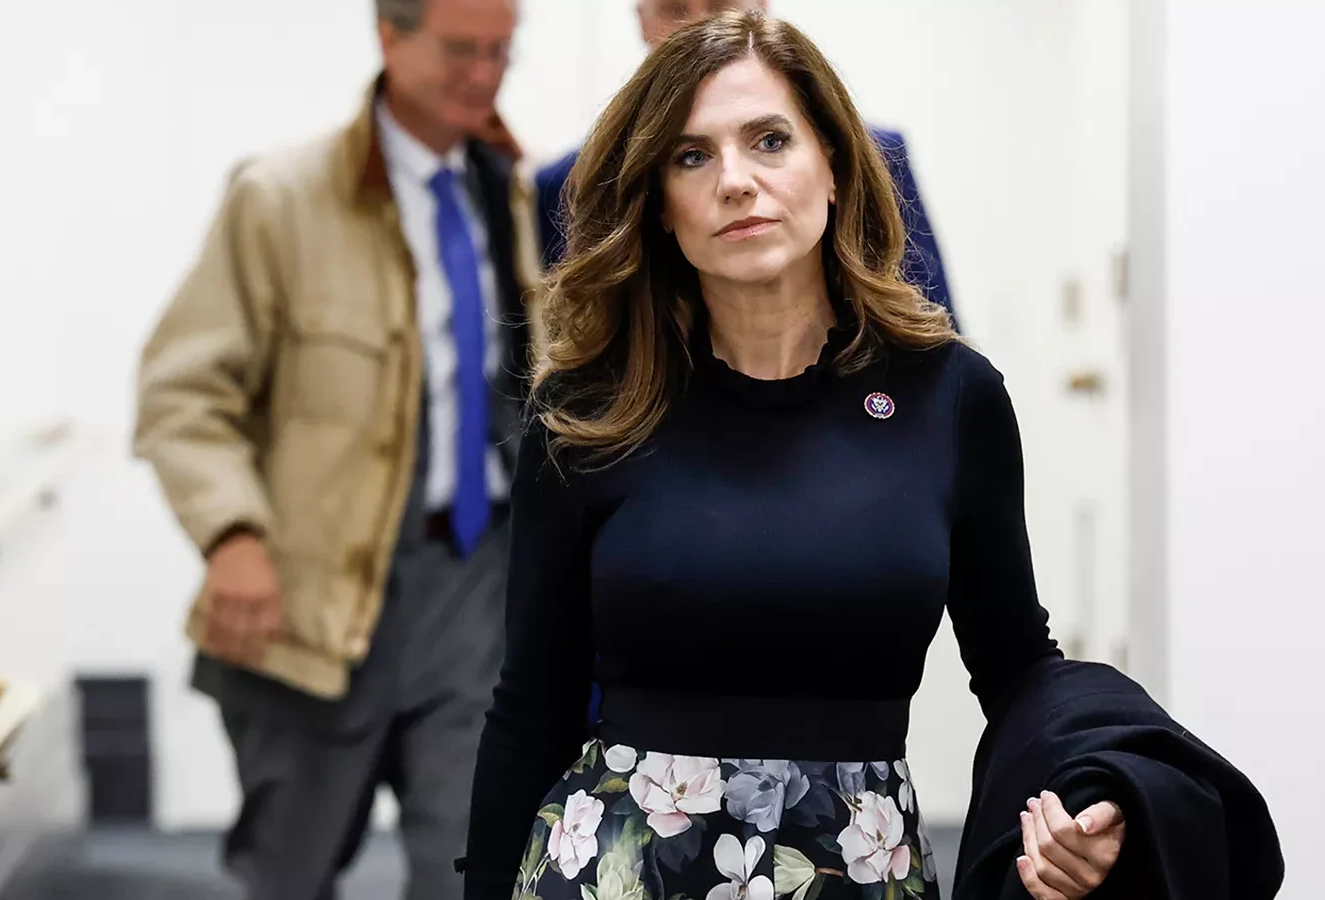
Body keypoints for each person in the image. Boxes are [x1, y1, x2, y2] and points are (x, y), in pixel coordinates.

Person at [460, 11, 1128, 900]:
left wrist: (1085, 793)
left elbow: (1015, 668)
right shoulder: (585, 414)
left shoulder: (952, 399)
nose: (736, 180)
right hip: (618, 872)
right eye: (691, 156)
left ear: (837, 167)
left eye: (770, 140)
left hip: (858, 870)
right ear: (661, 206)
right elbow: (530, 709)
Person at [132, 0, 537, 896]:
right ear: (389, 38)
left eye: (503, 51)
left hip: (473, 583)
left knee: (472, 868)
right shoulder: (281, 199)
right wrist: (231, 536)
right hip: (313, 592)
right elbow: (182, 392)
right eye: (461, 50)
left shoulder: (515, 192)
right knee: (289, 870)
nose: (485, 73)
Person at [535, 0, 956, 325]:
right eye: (675, 9)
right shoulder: (571, 184)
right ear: (641, 19)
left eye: (771, 142)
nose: (699, 28)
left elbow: (924, 320)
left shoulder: (876, 156)